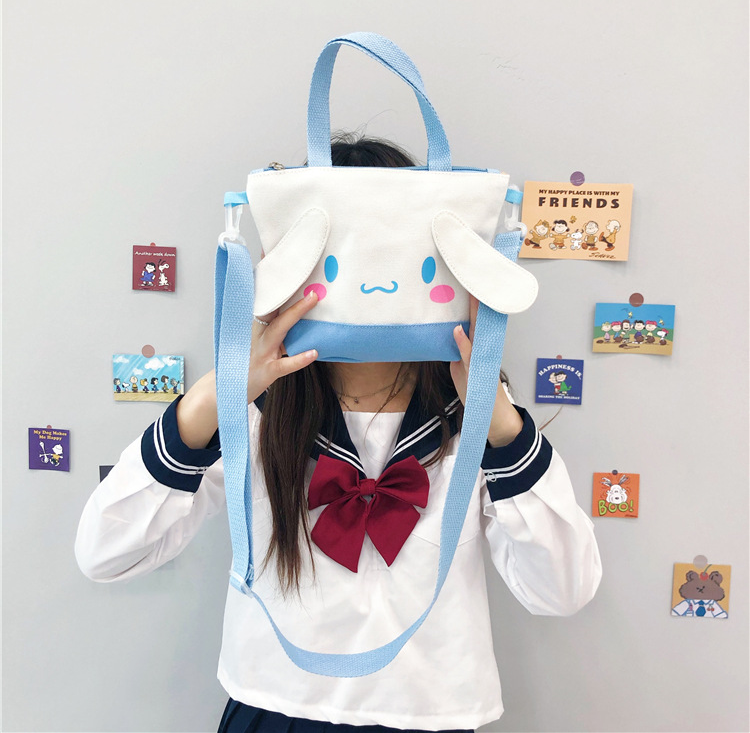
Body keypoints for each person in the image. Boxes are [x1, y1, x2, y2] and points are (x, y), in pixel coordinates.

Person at [75, 134, 602, 733]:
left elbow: (563, 590)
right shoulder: (254, 413)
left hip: (431, 714)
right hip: (273, 706)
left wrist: (496, 415)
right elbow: (104, 553)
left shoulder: (473, 421)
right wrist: (219, 390)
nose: (374, 284)